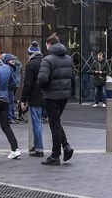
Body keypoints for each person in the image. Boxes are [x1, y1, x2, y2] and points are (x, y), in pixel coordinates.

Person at [37, 34, 74, 165]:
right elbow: (72, 77)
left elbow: (42, 79)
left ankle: (55, 155)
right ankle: (66, 146)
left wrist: (44, 87)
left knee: (54, 125)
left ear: (49, 44)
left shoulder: (47, 60)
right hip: (64, 95)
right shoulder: (69, 59)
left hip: (51, 96)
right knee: (56, 122)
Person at [20, 43, 45, 157]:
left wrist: (23, 99)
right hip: (46, 97)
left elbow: (28, 84)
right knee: (40, 123)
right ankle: (38, 144)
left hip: (35, 98)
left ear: (30, 53)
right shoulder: (45, 62)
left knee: (36, 124)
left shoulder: (31, 65)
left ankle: (39, 148)